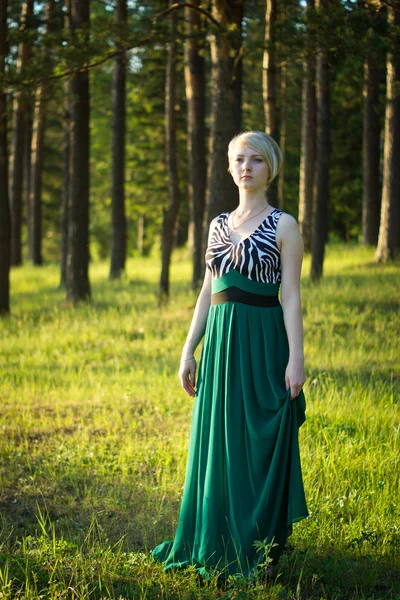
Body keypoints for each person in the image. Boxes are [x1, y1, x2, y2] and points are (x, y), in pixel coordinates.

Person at [151, 130, 309, 584]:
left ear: (270, 169)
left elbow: (292, 297)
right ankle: (212, 537)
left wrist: (296, 359)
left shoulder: (285, 225)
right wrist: (188, 350)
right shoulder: (218, 224)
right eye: (240, 159)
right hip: (220, 346)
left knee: (256, 439)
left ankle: (256, 541)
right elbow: (207, 292)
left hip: (262, 343)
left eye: (256, 160)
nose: (247, 167)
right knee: (217, 442)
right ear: (229, 166)